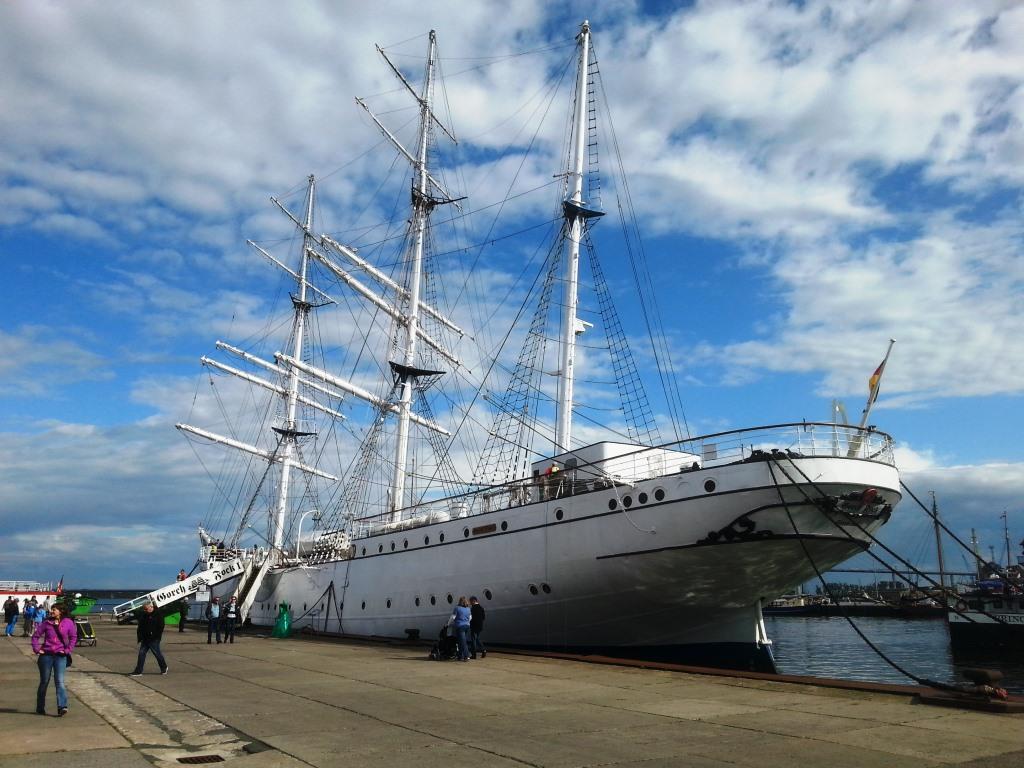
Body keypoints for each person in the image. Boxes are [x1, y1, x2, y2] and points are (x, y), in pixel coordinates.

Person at [31, 603, 76, 716]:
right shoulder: (47, 622)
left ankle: (62, 707)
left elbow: (73, 637)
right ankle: (40, 707)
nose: (51, 611)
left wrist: (67, 650)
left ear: (60, 611)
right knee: (44, 681)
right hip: (46, 655)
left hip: (60, 656)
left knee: (59, 681)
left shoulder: (68, 623)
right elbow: (35, 636)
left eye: (54, 609)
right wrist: (37, 649)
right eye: (51, 610)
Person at [129, 602, 167, 676]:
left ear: (151, 607)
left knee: (157, 654)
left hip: (154, 639)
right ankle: (138, 671)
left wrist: (155, 635)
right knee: (141, 654)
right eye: (144, 609)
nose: (145, 610)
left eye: (146, 609)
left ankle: (164, 667)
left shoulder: (158, 614)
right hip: (145, 638)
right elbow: (141, 625)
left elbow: (161, 626)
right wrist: (140, 635)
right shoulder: (144, 615)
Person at [451, 596, 472, 661]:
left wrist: (447, 624)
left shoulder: (457, 608)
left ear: (460, 601)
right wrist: (467, 622)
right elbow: (470, 617)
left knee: (462, 642)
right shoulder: (468, 609)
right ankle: (460, 655)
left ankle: (467, 655)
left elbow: (453, 617)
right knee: (460, 641)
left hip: (460, 626)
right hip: (467, 626)